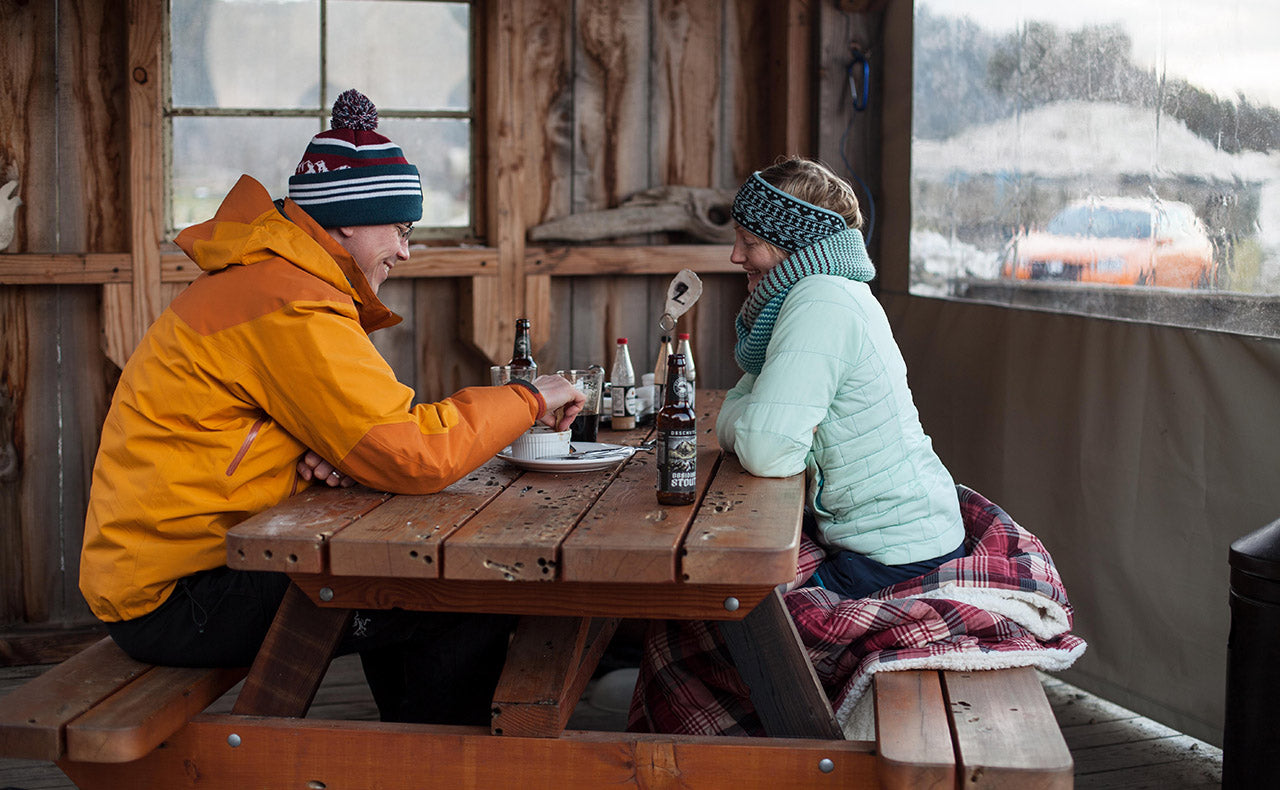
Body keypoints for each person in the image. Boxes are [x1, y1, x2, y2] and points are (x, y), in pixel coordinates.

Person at [78, 89, 583, 726]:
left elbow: (350, 434)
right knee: (458, 594)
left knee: (402, 576)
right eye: (399, 229)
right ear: (348, 219)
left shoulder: (271, 280)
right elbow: (414, 452)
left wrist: (315, 456)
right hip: (180, 595)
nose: (405, 250)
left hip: (183, 568)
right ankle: (445, 771)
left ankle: (413, 760)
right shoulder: (288, 302)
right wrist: (530, 398)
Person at [716, 156, 965, 598]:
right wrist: (756, 421)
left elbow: (767, 449)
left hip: (896, 554)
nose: (736, 255)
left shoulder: (821, 304)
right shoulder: (820, 294)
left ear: (791, 244)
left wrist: (749, 421)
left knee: (740, 621)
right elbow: (755, 420)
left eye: (748, 240)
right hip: (887, 537)